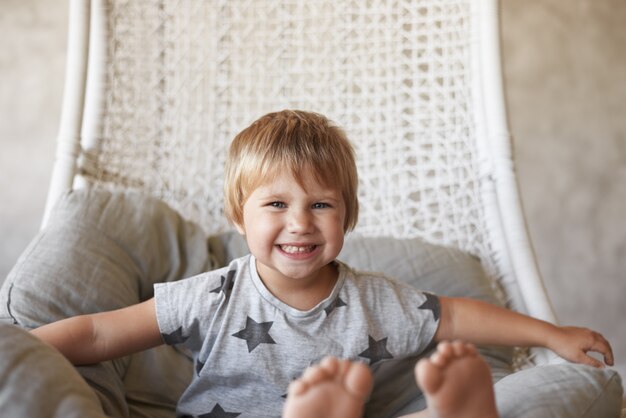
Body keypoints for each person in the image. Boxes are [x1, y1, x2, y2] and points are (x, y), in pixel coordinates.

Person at [31, 110, 613, 418]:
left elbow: (457, 318)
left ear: (347, 215)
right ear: (239, 216)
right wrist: (22, 346)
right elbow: (101, 330)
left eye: (321, 205)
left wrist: (552, 334)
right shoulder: (213, 295)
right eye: (277, 204)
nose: (301, 223)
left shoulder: (374, 302)